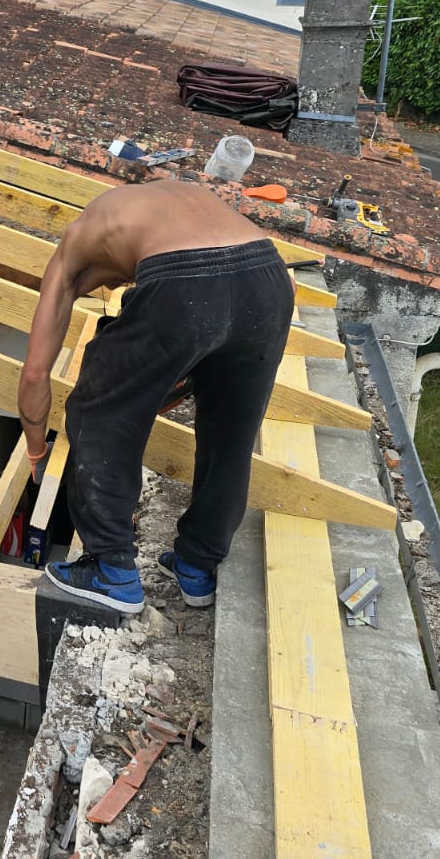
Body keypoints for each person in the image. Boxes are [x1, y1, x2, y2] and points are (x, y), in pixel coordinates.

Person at [17, 181, 294, 615]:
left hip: (184, 282)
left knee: (96, 408)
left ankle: (111, 570)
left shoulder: (72, 248)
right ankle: (196, 567)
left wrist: (36, 450)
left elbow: (35, 374)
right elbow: (186, 340)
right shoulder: (163, 205)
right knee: (231, 431)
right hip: (268, 277)